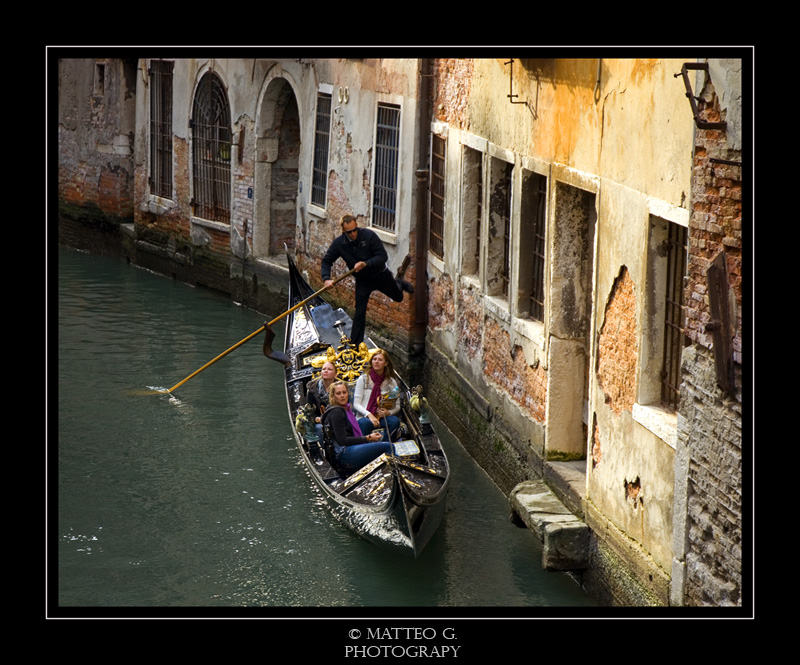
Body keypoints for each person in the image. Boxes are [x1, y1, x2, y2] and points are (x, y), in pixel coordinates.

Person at [321, 214, 413, 345]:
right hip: (363, 281)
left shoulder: (369, 236)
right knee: (359, 313)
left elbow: (382, 256)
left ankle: (398, 282)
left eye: (355, 230)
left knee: (398, 297)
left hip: (380, 275)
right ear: (343, 231)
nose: (353, 234)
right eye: (349, 232)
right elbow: (326, 261)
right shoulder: (339, 244)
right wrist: (326, 279)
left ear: (357, 227)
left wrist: (366, 263)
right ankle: (355, 347)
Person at [321, 380, 393, 471]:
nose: (342, 396)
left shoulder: (344, 409)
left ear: (348, 393)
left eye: (344, 392)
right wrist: (368, 438)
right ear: (333, 396)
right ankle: (395, 475)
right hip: (343, 453)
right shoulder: (337, 412)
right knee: (388, 446)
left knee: (365, 424)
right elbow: (343, 440)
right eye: (338, 393)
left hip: (345, 450)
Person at [352, 349, 401, 442]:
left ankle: (386, 446)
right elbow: (356, 404)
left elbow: (397, 405)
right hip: (366, 416)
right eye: (374, 359)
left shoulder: (391, 382)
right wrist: (369, 415)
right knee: (363, 423)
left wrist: (388, 413)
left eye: (380, 360)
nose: (376, 362)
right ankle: (366, 449)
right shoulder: (363, 379)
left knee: (394, 421)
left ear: (386, 363)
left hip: (383, 417)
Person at [306, 361, 337, 440]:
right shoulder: (312, 390)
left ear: (335, 374)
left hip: (337, 419)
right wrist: (317, 419)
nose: (326, 371)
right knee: (320, 428)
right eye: (324, 369)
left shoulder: (340, 388)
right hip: (320, 421)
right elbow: (310, 413)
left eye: (329, 369)